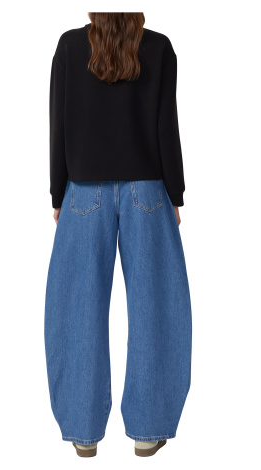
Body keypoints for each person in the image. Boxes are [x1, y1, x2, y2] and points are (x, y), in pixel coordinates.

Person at [44, 12, 192, 458]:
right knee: (157, 306)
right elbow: (167, 126)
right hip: (148, 191)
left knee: (76, 309)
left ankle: (82, 431)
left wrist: (57, 192)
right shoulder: (159, 47)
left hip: (82, 192)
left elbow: (58, 124)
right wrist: (175, 193)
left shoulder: (70, 47)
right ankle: (149, 430)